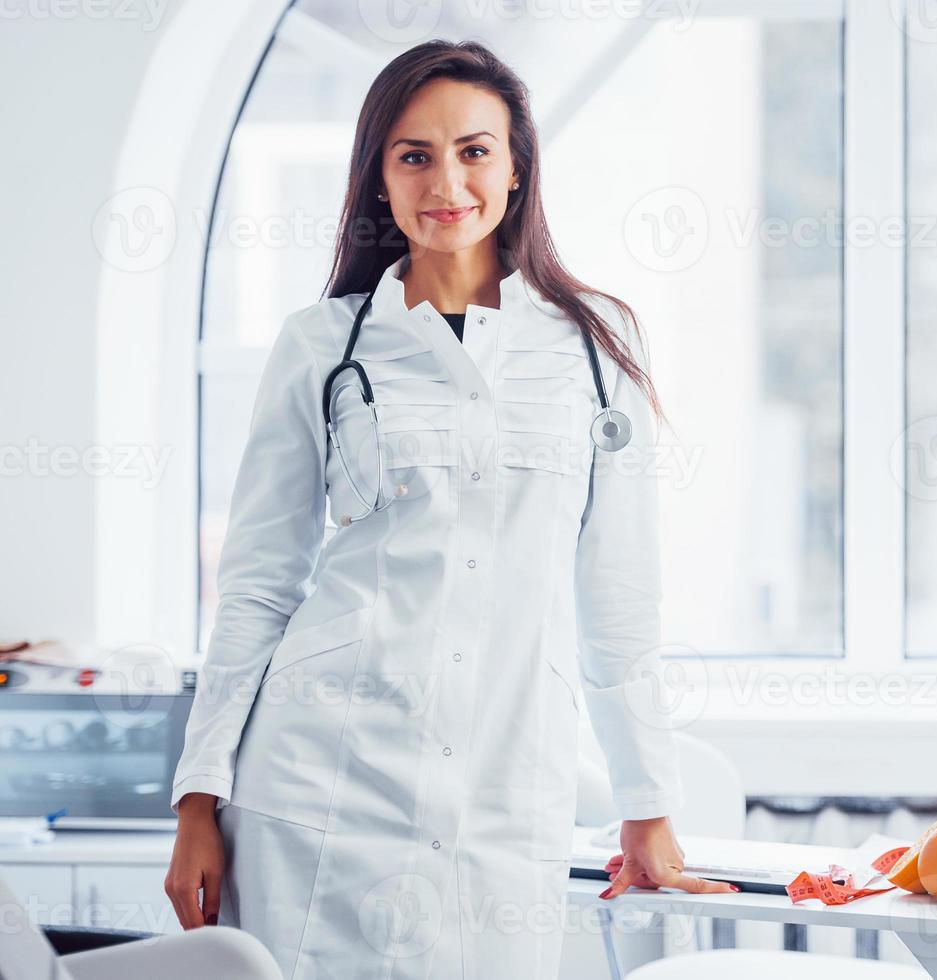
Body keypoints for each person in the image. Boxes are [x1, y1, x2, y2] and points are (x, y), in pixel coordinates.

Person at [163, 38, 734, 978]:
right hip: (315, 781)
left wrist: (649, 804)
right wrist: (198, 801)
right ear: (378, 177)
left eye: (474, 150)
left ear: (517, 170)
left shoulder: (597, 346)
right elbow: (260, 585)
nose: (447, 183)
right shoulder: (322, 345)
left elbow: (619, 603)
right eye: (414, 155)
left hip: (506, 791)